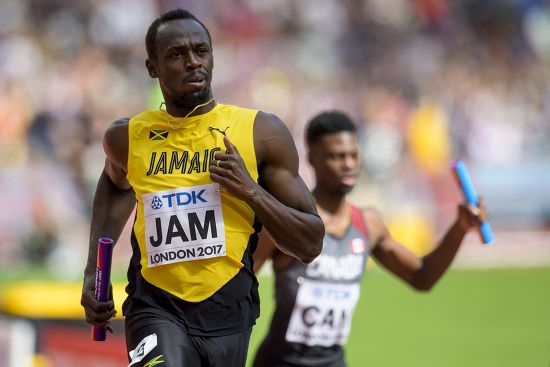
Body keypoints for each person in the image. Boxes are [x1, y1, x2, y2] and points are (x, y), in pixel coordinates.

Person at [80, 8, 324, 367]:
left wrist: (250, 191)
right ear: (153, 68)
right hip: (155, 306)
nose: (193, 62)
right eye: (177, 55)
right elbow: (115, 184)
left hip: (229, 313)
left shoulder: (260, 133)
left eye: (201, 51)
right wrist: (93, 272)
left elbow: (310, 242)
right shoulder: (127, 137)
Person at [252, 110, 489, 367]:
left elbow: (422, 277)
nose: (349, 164)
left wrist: (460, 228)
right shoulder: (289, 221)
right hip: (280, 362)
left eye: (354, 155)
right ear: (312, 158)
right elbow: (240, 279)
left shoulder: (368, 225)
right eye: (337, 156)